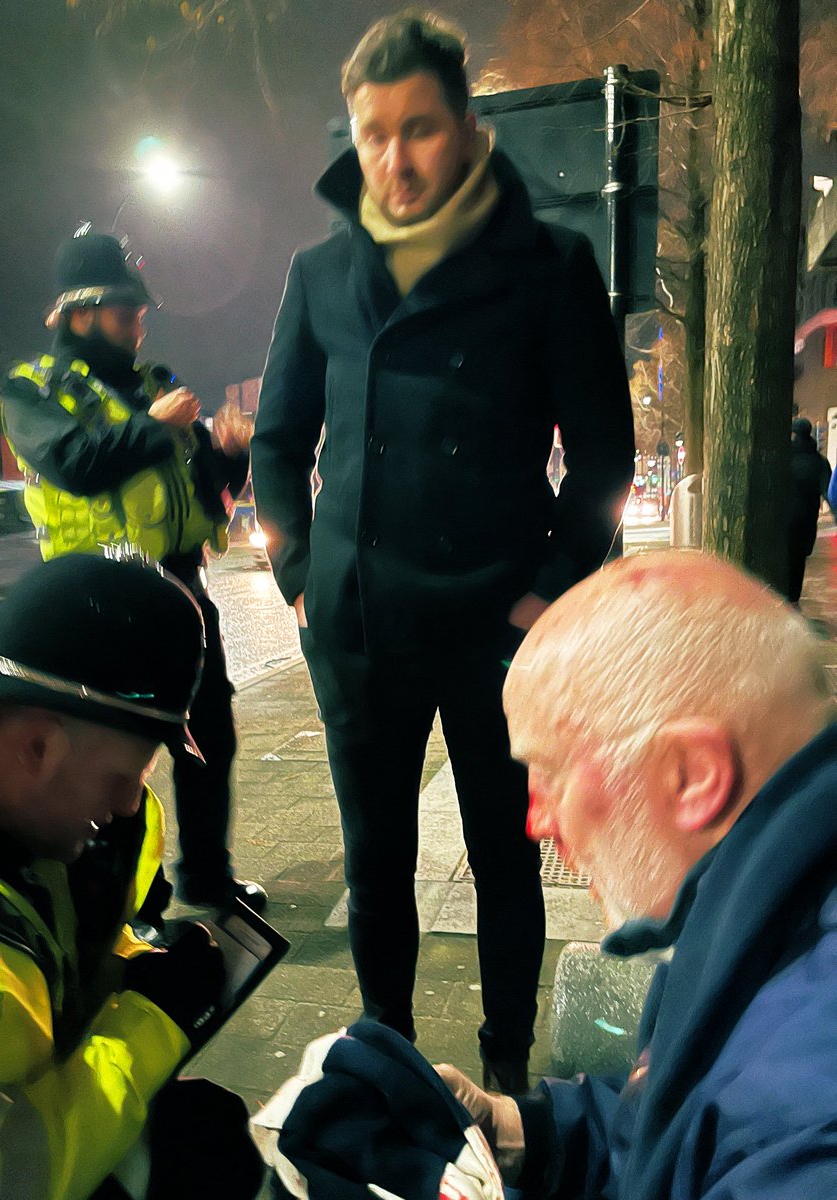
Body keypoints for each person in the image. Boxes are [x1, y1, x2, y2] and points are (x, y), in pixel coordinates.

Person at [251, 9, 635, 1092]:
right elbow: (277, 447)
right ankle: (385, 1058)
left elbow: (603, 457)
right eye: (373, 133)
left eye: (418, 129)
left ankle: (507, 1073)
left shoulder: (549, 265)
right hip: (360, 622)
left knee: (505, 863)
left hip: (492, 625)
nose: (394, 157)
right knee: (377, 866)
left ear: (468, 128)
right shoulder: (321, 274)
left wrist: (549, 592)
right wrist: (295, 581)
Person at [435, 551, 837, 1198]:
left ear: (693, 775)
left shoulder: (803, 1138)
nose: (535, 821)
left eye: (552, 770)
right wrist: (521, 1132)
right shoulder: (761, 928)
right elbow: (685, 1125)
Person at [0, 555, 263, 1199]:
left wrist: (130, 967)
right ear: (37, 747)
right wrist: (149, 1024)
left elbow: (48, 984)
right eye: (126, 778)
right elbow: (0, 1182)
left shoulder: (39, 831)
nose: (125, 808)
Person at [1, 229, 266, 915]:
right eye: (126, 314)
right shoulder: (34, 387)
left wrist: (230, 456)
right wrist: (152, 426)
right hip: (100, 597)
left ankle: (208, 876)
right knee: (110, 755)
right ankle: (121, 898)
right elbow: (76, 466)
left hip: (181, 588)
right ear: (80, 313)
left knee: (211, 740)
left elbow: (202, 487)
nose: (139, 327)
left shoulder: (159, 383)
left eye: (141, 314)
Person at [786, 417, 832, 604]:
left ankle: (781, 597)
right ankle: (793, 598)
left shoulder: (784, 457)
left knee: (785, 558)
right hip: (807, 520)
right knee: (799, 560)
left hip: (784, 519)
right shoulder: (820, 462)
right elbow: (829, 492)